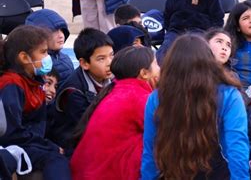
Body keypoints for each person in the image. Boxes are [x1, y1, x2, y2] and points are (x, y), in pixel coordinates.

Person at [141, 34, 250, 180]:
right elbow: (237, 148)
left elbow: (150, 151)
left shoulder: (156, 97)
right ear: (210, 62)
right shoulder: (229, 95)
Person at [71, 46, 159, 180]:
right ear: (144, 73)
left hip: (87, 171)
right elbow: (164, 133)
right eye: (156, 64)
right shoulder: (138, 97)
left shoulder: (117, 89)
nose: (160, 69)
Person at [0, 25, 71, 179]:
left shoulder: (34, 81)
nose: (47, 57)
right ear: (25, 58)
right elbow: (12, 132)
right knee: (56, 160)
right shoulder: (12, 84)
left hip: (32, 142)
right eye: (43, 52)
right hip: (14, 146)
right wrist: (49, 146)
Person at [47, 28, 114, 152]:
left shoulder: (110, 78)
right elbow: (87, 128)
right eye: (101, 59)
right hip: (71, 144)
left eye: (111, 55)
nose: (109, 63)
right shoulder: (73, 91)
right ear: (84, 63)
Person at [156, 0, 224, 64]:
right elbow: (167, 16)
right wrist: (170, 29)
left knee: (196, 52)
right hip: (176, 31)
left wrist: (212, 34)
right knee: (164, 51)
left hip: (200, 30)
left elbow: (217, 17)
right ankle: (163, 76)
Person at [25, 9, 74, 81]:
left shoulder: (65, 59)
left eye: (61, 30)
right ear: (39, 36)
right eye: (54, 31)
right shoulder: (39, 65)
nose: (61, 35)